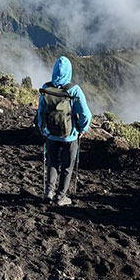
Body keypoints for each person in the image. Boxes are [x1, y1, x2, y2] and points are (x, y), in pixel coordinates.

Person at [37, 56, 92, 206]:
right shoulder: (74, 90)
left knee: (52, 162)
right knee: (67, 166)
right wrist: (82, 129)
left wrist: (43, 129)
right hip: (70, 136)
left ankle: (48, 192)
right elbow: (86, 114)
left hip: (50, 134)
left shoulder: (46, 88)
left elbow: (40, 111)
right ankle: (60, 197)